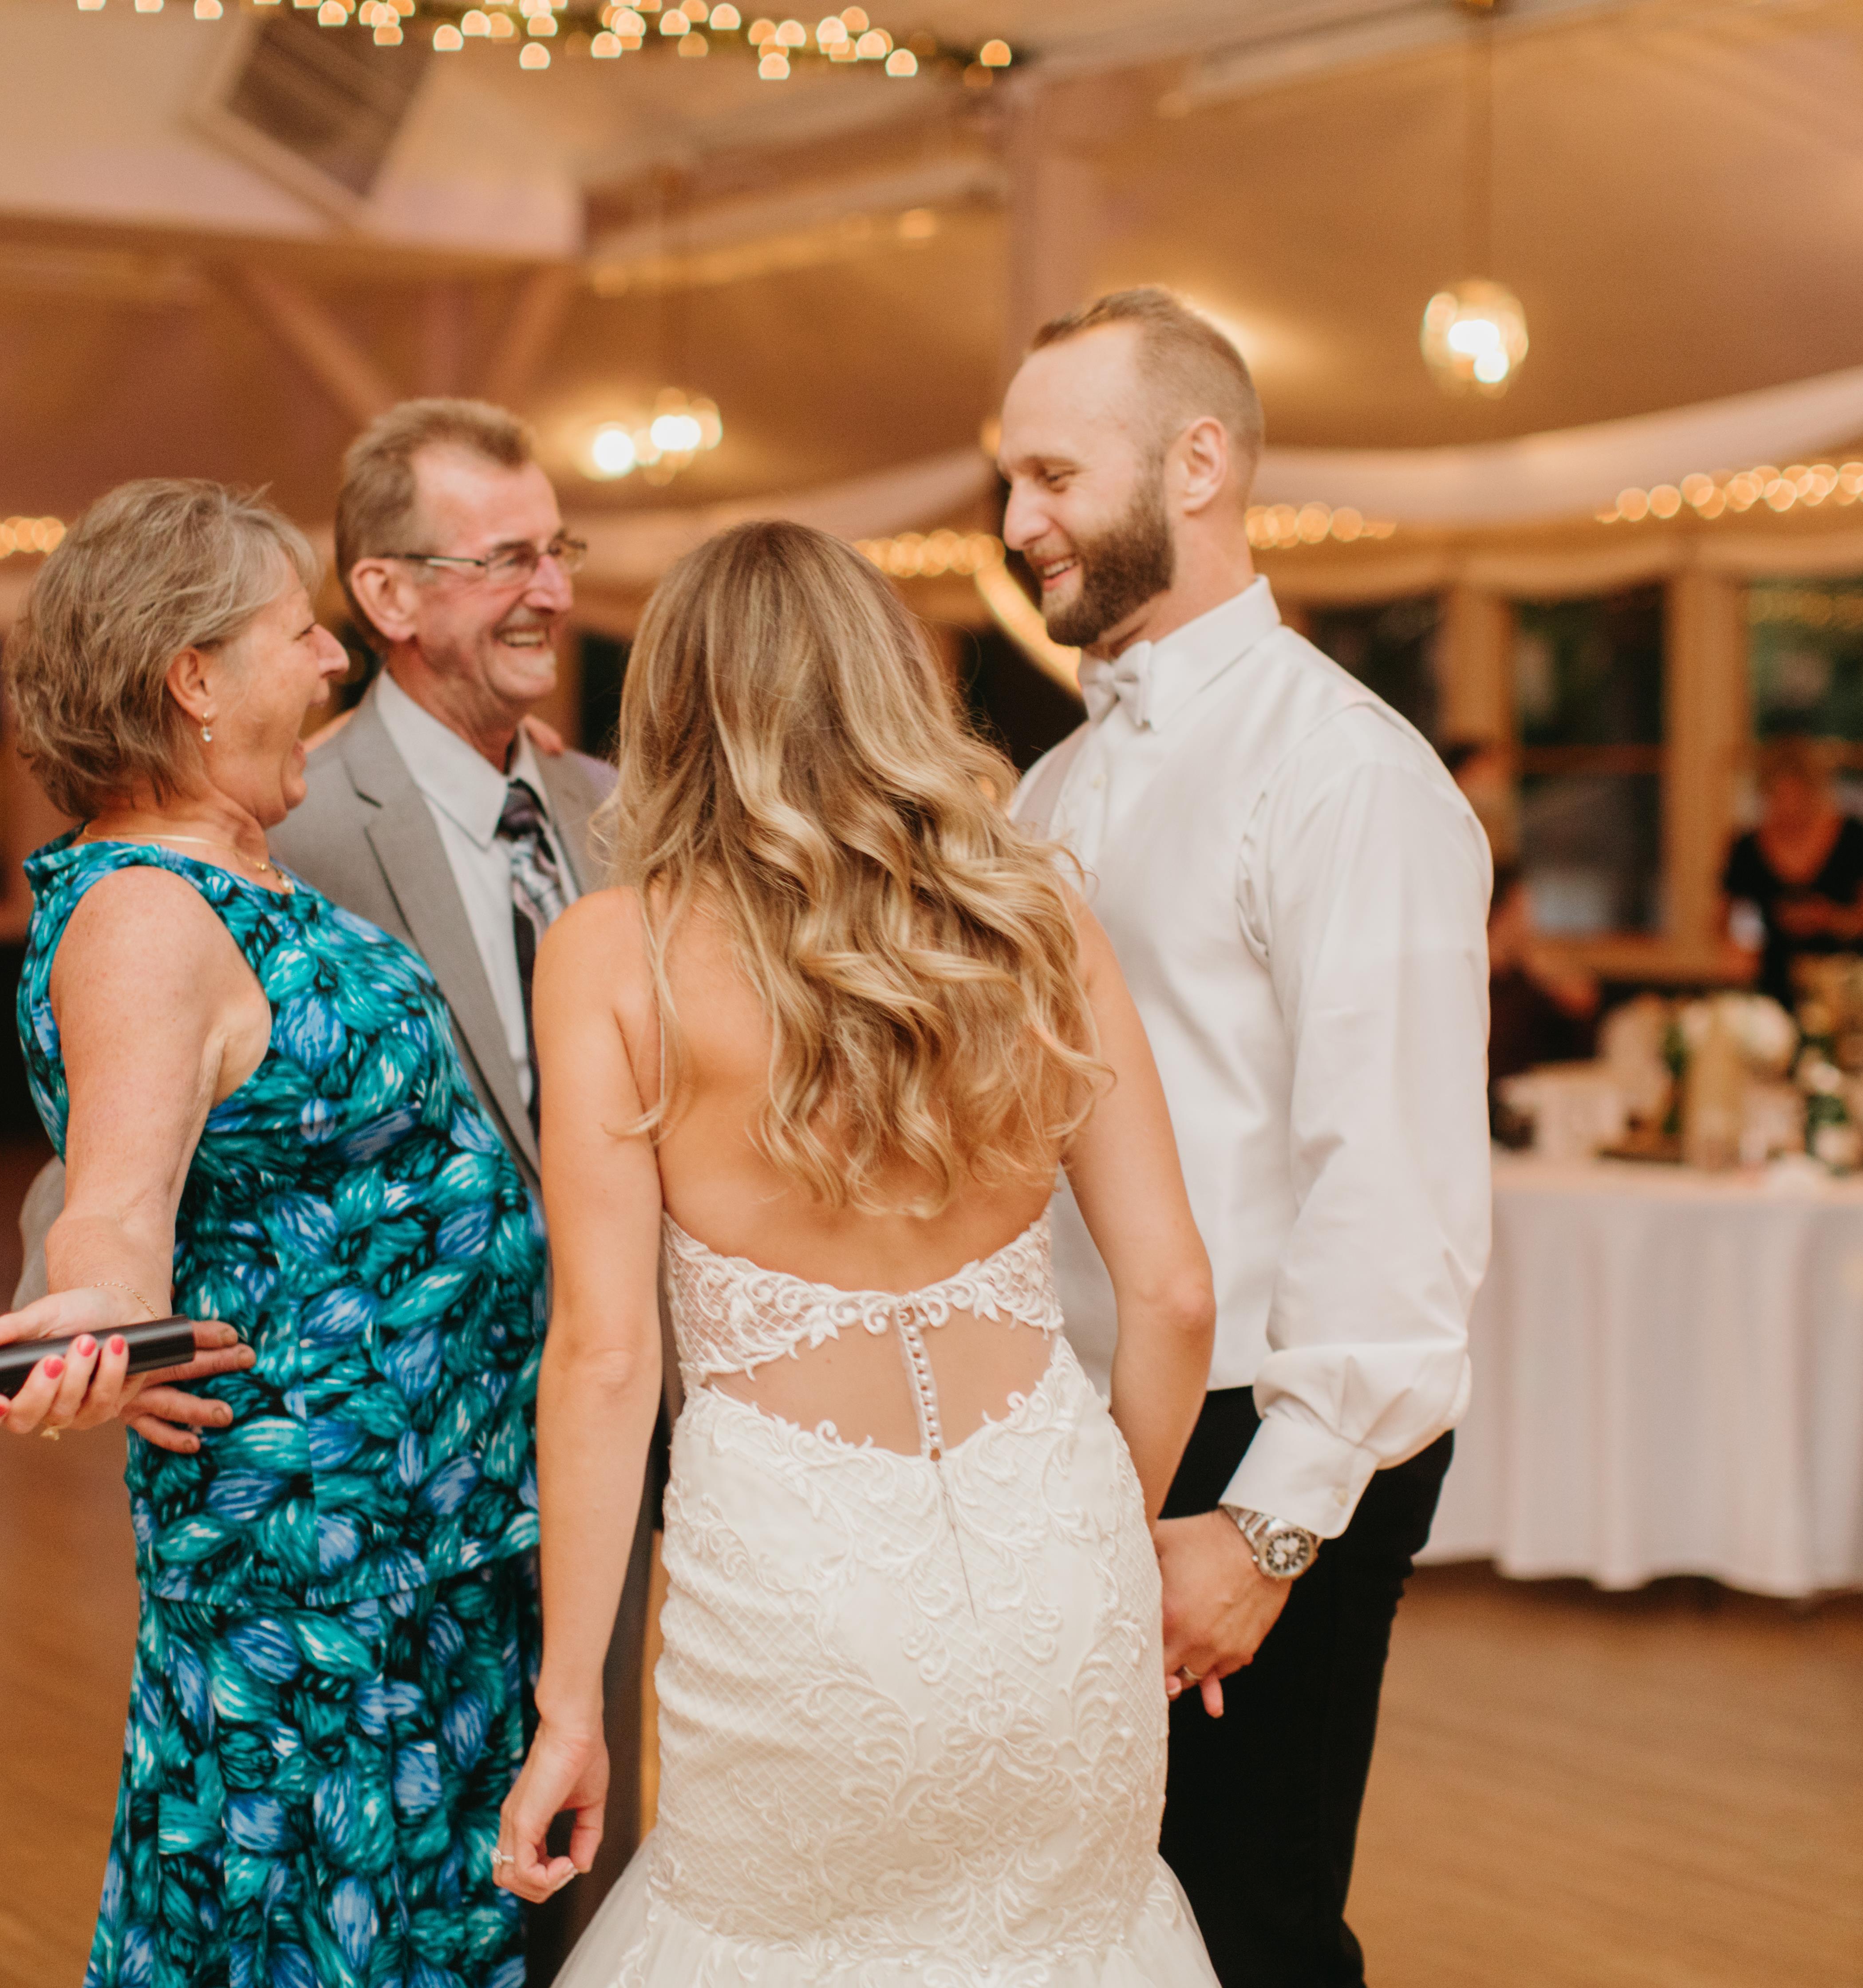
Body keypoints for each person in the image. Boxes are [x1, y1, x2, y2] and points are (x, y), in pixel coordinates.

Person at [492, 521, 1224, 1984]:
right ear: (893, 686)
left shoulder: (613, 954)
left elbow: (606, 1356)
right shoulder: (1040, 926)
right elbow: (1175, 1296)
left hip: (794, 1593)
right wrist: (1108, 1541)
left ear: (672, 709)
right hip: (1057, 1561)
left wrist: (569, 1697)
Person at [11, 400, 656, 1961]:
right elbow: (112, 1183)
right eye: (297, 635)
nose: (326, 668)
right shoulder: (150, 913)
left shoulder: (243, 867)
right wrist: (96, 1305)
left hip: (436, 1563)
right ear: (193, 678)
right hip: (329, 1601)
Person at [1000, 288, 1491, 1988]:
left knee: (1243, 1929)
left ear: (1195, 463)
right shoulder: (1046, 791)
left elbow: (1395, 1183)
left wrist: (1271, 1522)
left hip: (1262, 1437)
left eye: (1052, 474)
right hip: (1071, 1427)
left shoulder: (1347, 775)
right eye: (1008, 481)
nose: (1013, 524)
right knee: (1082, 1927)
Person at [1722, 734, 1863, 1006]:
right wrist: (1743, 947)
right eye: (1778, 798)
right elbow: (1728, 919)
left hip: (1847, 981)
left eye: (1796, 798)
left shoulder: (1852, 837)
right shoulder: (1748, 847)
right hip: (1775, 984)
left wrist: (1829, 919)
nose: (1788, 809)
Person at [1486, 859, 1601, 1086]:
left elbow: (1583, 1005)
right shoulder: (1481, 987)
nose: (1529, 924)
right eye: (1522, 912)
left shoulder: (1526, 981)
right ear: (1499, 914)